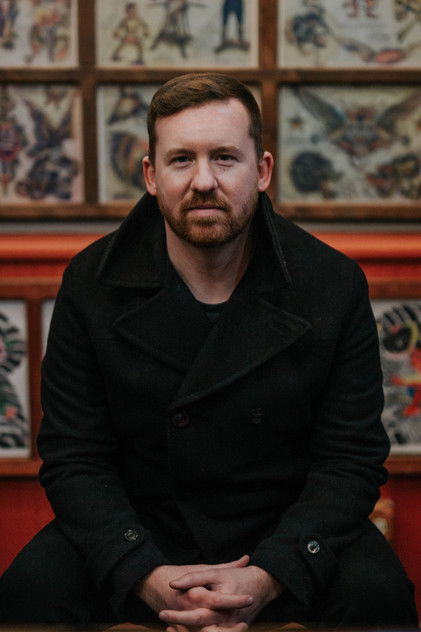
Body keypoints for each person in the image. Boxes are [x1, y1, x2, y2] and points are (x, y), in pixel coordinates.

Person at [0, 72, 418, 629]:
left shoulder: (332, 284)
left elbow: (351, 459)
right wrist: (145, 574)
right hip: (141, 528)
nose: (203, 181)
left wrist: (269, 574)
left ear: (261, 171)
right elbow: (74, 457)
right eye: (181, 160)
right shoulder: (92, 282)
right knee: (28, 593)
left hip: (282, 528)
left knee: (379, 597)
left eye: (224, 158)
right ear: (151, 175)